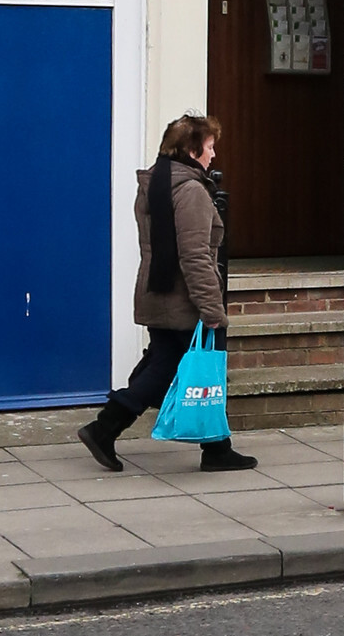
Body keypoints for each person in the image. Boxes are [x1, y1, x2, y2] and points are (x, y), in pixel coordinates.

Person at [78, 114, 257, 474]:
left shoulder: (157, 184)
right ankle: (104, 428)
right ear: (192, 151)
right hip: (184, 301)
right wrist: (212, 310)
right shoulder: (190, 190)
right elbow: (194, 256)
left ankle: (216, 447)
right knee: (175, 372)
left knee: (167, 367)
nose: (213, 155)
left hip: (158, 294)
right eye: (209, 147)